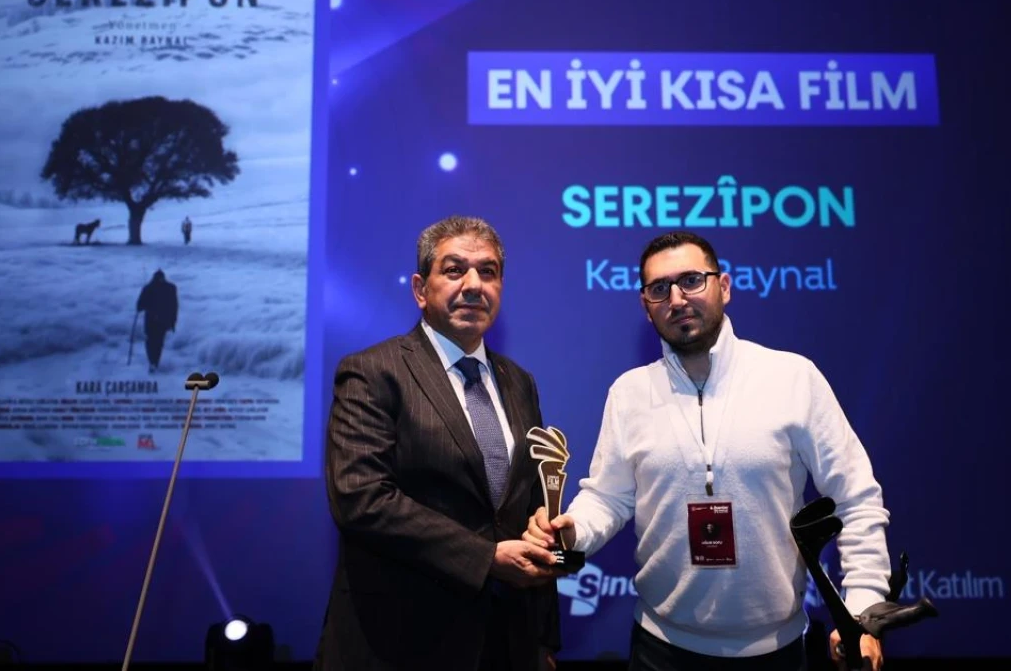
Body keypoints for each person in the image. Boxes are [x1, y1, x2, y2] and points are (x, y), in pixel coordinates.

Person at [524, 231, 892, 671]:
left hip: (776, 651)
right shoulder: (629, 393)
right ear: (645, 305)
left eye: (691, 280)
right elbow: (608, 497)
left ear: (725, 287)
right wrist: (573, 532)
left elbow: (855, 498)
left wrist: (861, 611)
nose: (677, 298)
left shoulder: (793, 378)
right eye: (659, 288)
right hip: (660, 649)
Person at [316, 216, 564, 671]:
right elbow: (360, 499)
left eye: (488, 272)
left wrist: (543, 639)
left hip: (506, 643)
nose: (473, 285)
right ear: (420, 289)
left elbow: (528, 504)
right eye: (454, 270)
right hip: (400, 643)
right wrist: (486, 559)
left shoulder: (519, 382)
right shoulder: (373, 371)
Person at [136, 269, 177, 373]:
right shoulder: (171, 288)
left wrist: (142, 306)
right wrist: (172, 322)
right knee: (158, 342)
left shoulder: (148, 288)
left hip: (151, 321)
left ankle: (152, 362)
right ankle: (155, 362)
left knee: (150, 342)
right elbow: (174, 307)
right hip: (163, 321)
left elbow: (139, 306)